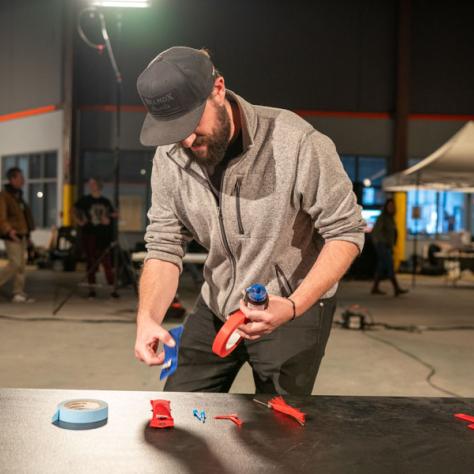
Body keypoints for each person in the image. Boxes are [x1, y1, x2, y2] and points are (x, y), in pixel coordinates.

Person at [134, 46, 365, 394]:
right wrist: (147, 318)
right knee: (179, 411)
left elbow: (346, 232)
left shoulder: (297, 142)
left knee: (279, 431)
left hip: (291, 306)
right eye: (172, 129)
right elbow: (164, 245)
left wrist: (292, 305)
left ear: (218, 89)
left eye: (192, 122)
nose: (185, 139)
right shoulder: (170, 156)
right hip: (217, 302)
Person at [73, 178, 117, 299]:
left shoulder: (105, 201)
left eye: (93, 183)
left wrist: (109, 219)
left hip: (103, 236)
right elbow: (74, 209)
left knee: (107, 262)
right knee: (91, 261)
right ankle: (91, 289)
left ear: (98, 185)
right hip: (90, 234)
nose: (90, 185)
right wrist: (79, 221)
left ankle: (112, 288)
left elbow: (112, 214)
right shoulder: (85, 200)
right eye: (90, 183)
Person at [0, 167, 35, 303]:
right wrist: (9, 230)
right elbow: (1, 216)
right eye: (20, 178)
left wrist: (29, 235)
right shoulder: (4, 196)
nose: (23, 180)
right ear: (12, 179)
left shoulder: (18, 196)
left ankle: (18, 292)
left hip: (22, 234)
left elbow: (25, 217)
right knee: (14, 263)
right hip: (12, 234)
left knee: (21, 266)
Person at [371, 198, 408, 296]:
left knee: (381, 266)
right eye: (389, 206)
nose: (391, 208)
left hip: (387, 246)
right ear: (386, 207)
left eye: (392, 206)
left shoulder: (391, 218)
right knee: (389, 265)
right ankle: (396, 288)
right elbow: (376, 232)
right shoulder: (382, 217)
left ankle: (375, 288)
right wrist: (383, 242)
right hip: (382, 245)